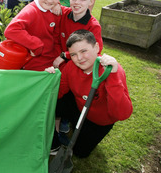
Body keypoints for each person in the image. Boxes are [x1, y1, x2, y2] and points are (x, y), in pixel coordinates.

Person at [45, 30, 133, 158]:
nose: (79, 58)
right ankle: (55, 138)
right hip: (79, 108)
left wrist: (113, 78)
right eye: (74, 54)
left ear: (96, 47)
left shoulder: (112, 71)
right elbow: (58, 93)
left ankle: (78, 134)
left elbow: (122, 114)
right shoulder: (70, 67)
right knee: (51, 105)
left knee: (80, 153)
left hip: (99, 122)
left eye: (84, 51)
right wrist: (51, 81)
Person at [4, 0, 63, 71]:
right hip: (33, 64)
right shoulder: (31, 11)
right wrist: (35, 44)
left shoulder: (54, 10)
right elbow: (11, 30)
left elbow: (55, 37)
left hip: (51, 62)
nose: (49, 0)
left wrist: (56, 57)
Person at [53, 0, 103, 71]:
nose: (77, 2)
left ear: (91, 1)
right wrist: (56, 4)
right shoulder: (63, 13)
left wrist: (65, 55)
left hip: (78, 66)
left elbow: (96, 50)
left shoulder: (93, 26)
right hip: (58, 61)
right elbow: (48, 1)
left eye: (82, 0)